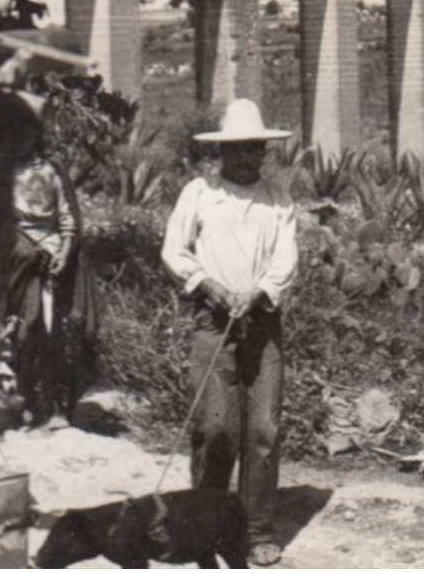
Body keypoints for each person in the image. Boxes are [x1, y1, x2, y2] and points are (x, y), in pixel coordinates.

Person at [161, 99, 299, 567]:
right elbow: (174, 252)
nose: (245, 157)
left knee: (262, 428)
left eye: (253, 148)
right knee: (215, 426)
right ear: (220, 153)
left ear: (263, 151)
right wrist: (212, 288)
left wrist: (258, 293)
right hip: (212, 320)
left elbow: (285, 261)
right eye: (236, 149)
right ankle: (204, 522)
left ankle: (256, 528)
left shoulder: (278, 198)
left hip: (261, 321)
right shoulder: (199, 193)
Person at [5, 142, 99, 426]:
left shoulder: (52, 169)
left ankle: (54, 404)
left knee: (54, 330)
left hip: (52, 252)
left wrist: (64, 251)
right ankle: (19, 401)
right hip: (15, 255)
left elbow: (68, 219)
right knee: (19, 329)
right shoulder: (5, 166)